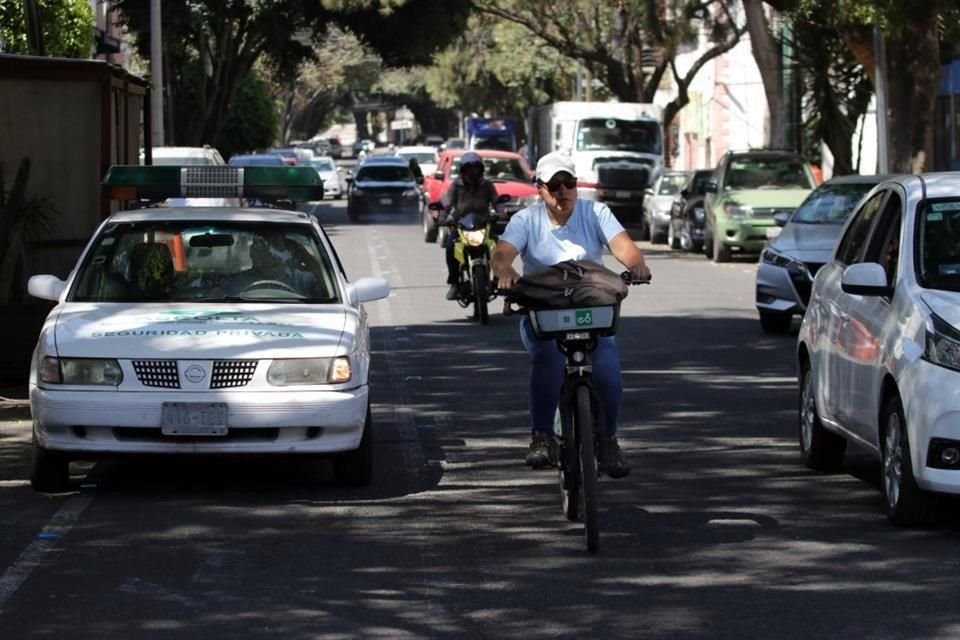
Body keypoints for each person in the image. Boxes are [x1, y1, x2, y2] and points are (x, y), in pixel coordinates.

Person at [491, 151, 651, 478]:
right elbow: (501, 255)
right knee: (548, 358)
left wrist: (636, 265)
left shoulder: (596, 212)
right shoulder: (526, 220)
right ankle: (541, 437)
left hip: (590, 312)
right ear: (541, 189)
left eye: (569, 183)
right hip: (544, 314)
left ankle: (608, 440)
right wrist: (505, 271)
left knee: (607, 370)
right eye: (555, 185)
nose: (563, 191)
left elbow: (624, 248)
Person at [441, 151, 500, 300]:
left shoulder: (487, 185)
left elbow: (496, 202)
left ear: (480, 170)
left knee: (500, 247)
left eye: (475, 168)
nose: (472, 172)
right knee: (450, 247)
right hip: (461, 225)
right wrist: (443, 217)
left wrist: (501, 212)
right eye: (469, 169)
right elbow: (447, 203)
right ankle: (454, 283)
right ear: (463, 170)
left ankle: (499, 279)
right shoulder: (456, 185)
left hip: (483, 225)